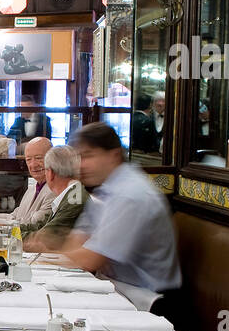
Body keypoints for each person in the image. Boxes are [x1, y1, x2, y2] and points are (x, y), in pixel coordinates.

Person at [59, 122, 181, 305]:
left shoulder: (131, 194)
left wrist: (45, 259)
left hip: (147, 300)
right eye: (78, 157)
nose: (80, 166)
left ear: (114, 155)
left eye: (88, 156)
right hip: (115, 288)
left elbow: (89, 260)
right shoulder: (105, 189)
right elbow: (75, 244)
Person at [0, 136, 54, 234]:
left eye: (38, 158)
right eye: (28, 159)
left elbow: (32, 225)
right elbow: (14, 217)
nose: (33, 165)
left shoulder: (54, 191)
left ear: (53, 159)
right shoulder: (33, 188)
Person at [22, 145, 88, 251]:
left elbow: (45, 238)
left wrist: (6, 236)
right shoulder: (73, 193)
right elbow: (39, 226)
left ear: (50, 173)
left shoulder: (75, 198)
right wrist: (2, 231)